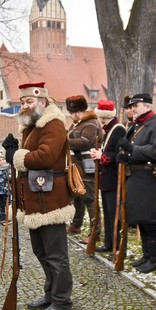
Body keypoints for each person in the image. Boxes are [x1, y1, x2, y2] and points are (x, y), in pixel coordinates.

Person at [4, 82, 75, 310]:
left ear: (42, 103)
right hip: (35, 201)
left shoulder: (53, 124)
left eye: (29, 102)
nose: (25, 106)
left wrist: (17, 156)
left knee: (56, 255)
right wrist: (13, 152)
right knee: (41, 252)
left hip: (51, 200)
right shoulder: (31, 126)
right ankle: (50, 294)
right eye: (22, 102)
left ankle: (62, 301)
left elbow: (46, 156)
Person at [117, 93, 156, 274]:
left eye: (136, 106)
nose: (133, 109)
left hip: (149, 177)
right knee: (140, 218)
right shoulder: (138, 126)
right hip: (137, 176)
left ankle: (154, 259)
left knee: (149, 220)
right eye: (132, 106)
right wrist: (124, 155)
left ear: (148, 106)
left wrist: (132, 149)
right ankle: (146, 255)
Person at [90, 100, 126, 254]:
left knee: (113, 214)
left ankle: (115, 244)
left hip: (114, 178)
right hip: (107, 178)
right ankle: (108, 242)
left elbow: (119, 155)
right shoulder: (108, 129)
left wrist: (102, 156)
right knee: (107, 213)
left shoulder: (118, 130)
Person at [65, 95, 102, 236]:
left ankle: (95, 232)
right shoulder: (78, 124)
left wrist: (65, 141)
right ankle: (76, 225)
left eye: (73, 113)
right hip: (77, 166)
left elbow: (85, 142)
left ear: (80, 112)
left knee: (89, 199)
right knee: (78, 197)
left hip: (87, 165)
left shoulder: (91, 123)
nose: (72, 116)